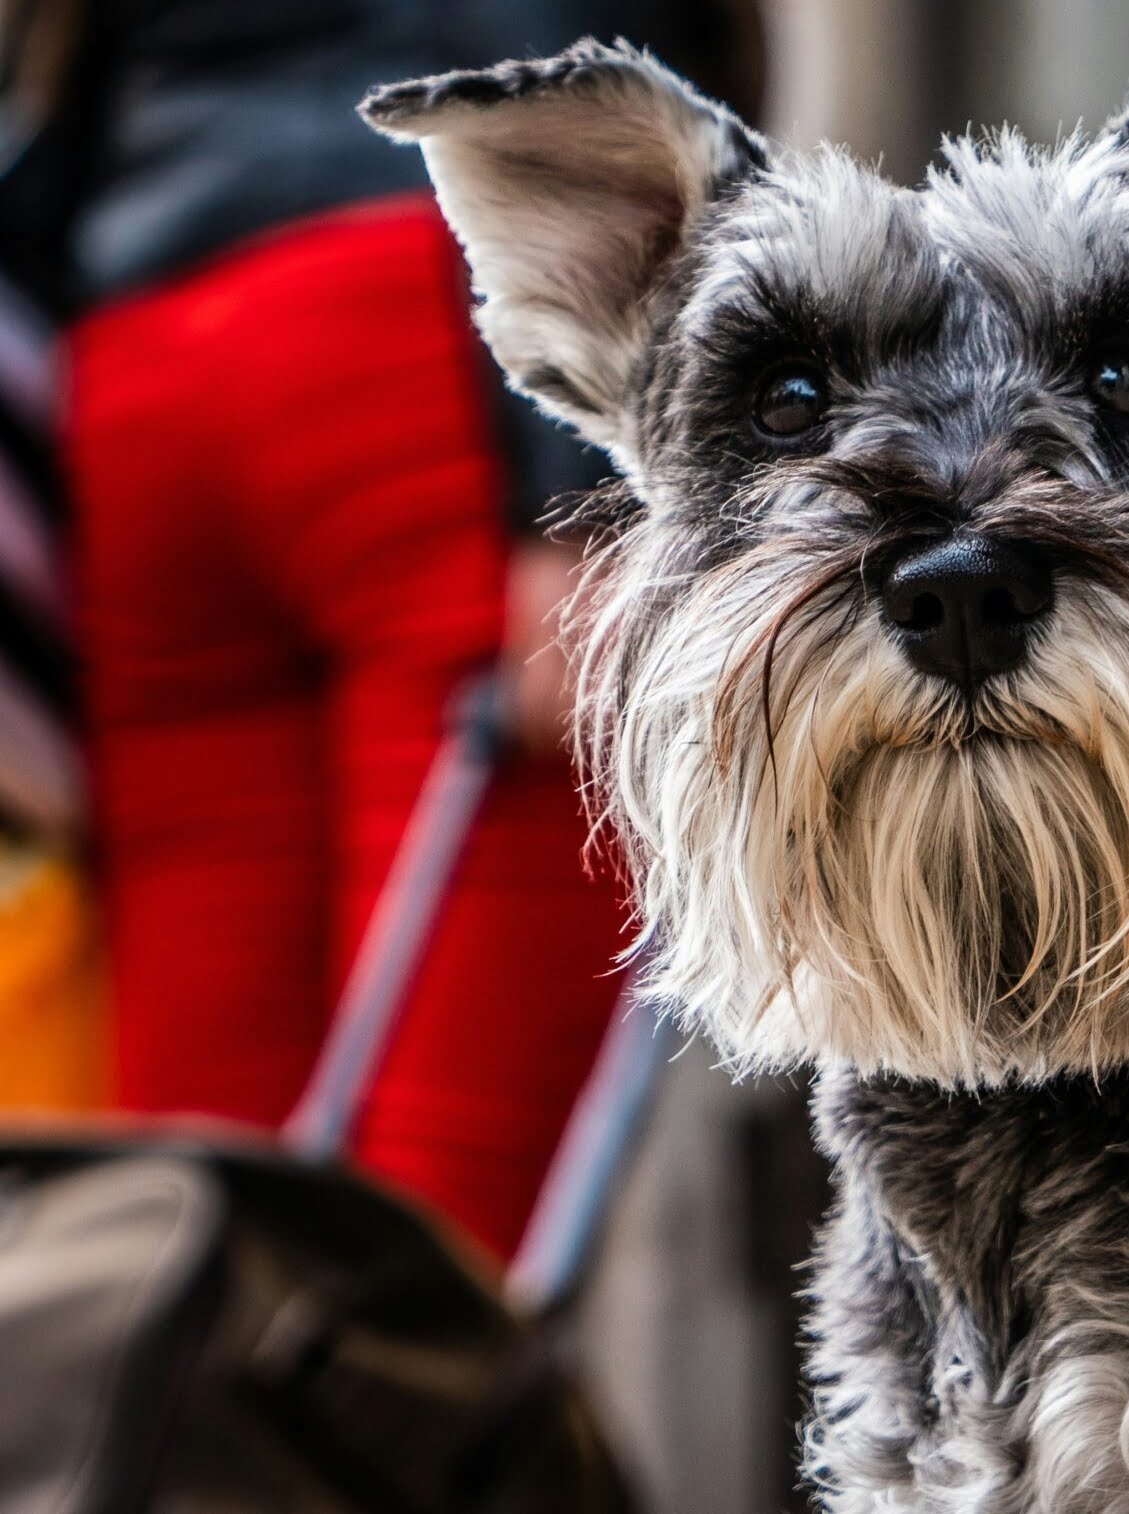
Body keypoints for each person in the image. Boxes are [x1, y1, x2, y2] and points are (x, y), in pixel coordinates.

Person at [5, 0, 761, 1258]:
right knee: (439, 1220)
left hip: (145, 350)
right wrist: (579, 486)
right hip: (412, 330)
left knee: (185, 1193)